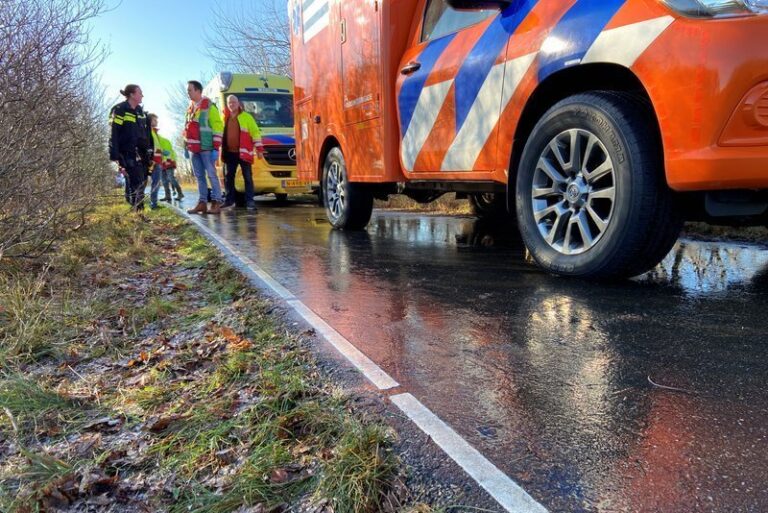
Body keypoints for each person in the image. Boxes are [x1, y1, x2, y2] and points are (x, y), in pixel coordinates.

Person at [109, 84, 153, 211]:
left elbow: (146, 133)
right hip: (126, 152)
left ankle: (136, 208)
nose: (142, 95)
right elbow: (114, 133)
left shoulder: (141, 111)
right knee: (136, 181)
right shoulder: (119, 109)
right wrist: (115, 155)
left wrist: (150, 151)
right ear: (132, 95)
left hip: (142, 153)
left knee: (142, 181)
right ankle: (138, 211)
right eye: (140, 93)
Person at [183, 80, 223, 214]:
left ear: (198, 91)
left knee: (211, 175)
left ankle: (217, 202)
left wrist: (216, 148)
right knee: (199, 177)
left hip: (206, 147)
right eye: (187, 90)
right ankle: (202, 203)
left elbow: (217, 127)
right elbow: (186, 129)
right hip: (194, 149)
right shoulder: (189, 109)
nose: (188, 92)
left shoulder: (209, 107)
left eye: (190, 90)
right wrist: (185, 147)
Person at [222, 94, 263, 211]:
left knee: (248, 178)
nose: (231, 104)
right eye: (229, 102)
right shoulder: (224, 118)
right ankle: (229, 201)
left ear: (238, 103)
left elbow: (255, 133)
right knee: (228, 177)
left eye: (233, 102)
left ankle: (250, 202)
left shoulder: (247, 117)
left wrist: (259, 149)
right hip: (229, 153)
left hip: (244, 153)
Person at [147, 114, 165, 209]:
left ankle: (153, 203)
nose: (157, 122)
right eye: (155, 120)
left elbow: (156, 147)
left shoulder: (154, 132)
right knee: (156, 183)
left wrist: (162, 152)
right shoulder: (148, 132)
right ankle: (153, 204)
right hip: (154, 162)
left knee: (156, 183)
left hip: (157, 161)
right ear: (150, 121)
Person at [158, 134, 183, 201]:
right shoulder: (155, 141)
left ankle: (180, 193)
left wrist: (168, 161)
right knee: (164, 181)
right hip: (161, 163)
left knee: (171, 178)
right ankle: (167, 196)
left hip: (169, 161)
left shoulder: (164, 140)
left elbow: (168, 152)